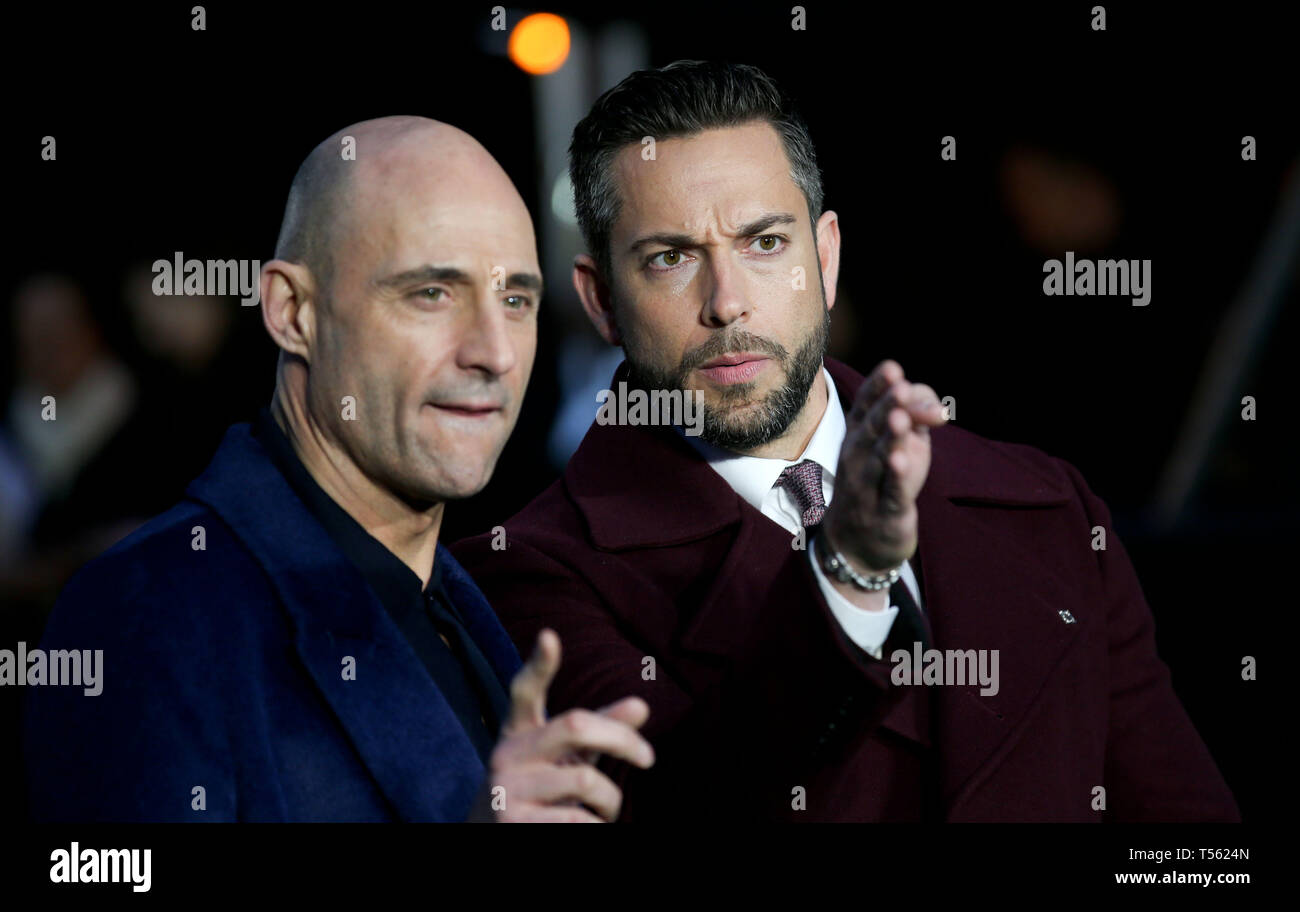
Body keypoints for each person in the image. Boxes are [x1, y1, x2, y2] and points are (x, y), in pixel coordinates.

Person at [452, 62, 1241, 821]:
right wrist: (848, 571)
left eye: (765, 244)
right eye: (670, 258)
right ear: (602, 302)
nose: (727, 303)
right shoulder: (527, 573)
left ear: (824, 258)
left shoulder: (1045, 506)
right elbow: (680, 802)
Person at [23, 116, 653, 823]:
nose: (495, 352)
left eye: (516, 300)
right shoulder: (146, 615)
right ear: (293, 312)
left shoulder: (484, 608)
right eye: (432, 293)